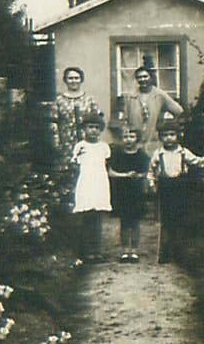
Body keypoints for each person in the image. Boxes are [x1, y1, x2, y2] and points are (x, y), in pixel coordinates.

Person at [147, 118, 204, 264]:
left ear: (178, 135)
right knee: (166, 221)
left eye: (172, 134)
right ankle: (164, 253)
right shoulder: (158, 154)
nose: (169, 138)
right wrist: (152, 184)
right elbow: (151, 171)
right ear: (161, 137)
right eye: (165, 135)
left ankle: (179, 253)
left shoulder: (183, 152)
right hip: (165, 189)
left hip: (180, 188)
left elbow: (196, 161)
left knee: (180, 220)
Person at [50, 66, 101, 207]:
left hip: (87, 145)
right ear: (65, 80)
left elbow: (98, 122)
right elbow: (53, 123)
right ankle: (69, 209)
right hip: (66, 145)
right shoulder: (59, 100)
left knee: (88, 176)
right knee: (68, 177)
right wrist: (57, 144)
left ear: (81, 80)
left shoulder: (89, 100)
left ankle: (89, 207)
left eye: (76, 78)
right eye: (70, 78)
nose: (74, 81)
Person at [71, 111, 111, 263]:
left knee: (98, 219)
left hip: (99, 183)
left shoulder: (104, 147)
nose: (93, 130)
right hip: (86, 183)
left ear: (100, 130)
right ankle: (87, 251)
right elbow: (75, 165)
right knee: (87, 218)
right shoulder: (80, 146)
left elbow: (106, 166)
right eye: (90, 127)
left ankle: (97, 251)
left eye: (96, 127)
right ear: (84, 129)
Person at [108, 127, 150, 263]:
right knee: (125, 222)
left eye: (131, 137)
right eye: (125, 137)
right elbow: (111, 172)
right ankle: (125, 250)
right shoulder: (117, 155)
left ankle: (135, 251)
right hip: (122, 192)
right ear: (121, 139)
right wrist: (125, 175)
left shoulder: (142, 155)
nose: (128, 140)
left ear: (137, 139)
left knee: (135, 222)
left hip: (136, 192)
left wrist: (138, 175)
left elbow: (147, 171)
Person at [123, 66, 184, 156]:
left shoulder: (159, 95)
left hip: (154, 140)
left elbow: (179, 111)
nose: (142, 79)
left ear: (151, 77)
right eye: (139, 77)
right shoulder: (131, 96)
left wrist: (166, 125)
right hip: (136, 142)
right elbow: (126, 119)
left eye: (145, 76)